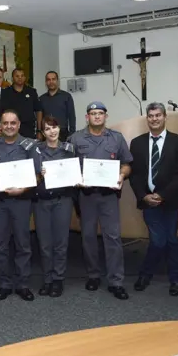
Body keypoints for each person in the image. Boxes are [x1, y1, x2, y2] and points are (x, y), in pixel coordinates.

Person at [69, 101, 132, 300]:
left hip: (108, 196)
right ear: (87, 117)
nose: (97, 116)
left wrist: (122, 175)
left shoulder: (116, 138)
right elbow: (67, 165)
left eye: (100, 113)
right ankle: (93, 275)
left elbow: (127, 164)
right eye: (93, 113)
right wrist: (75, 178)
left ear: (106, 116)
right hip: (86, 196)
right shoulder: (76, 138)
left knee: (112, 237)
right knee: (88, 237)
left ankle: (116, 281)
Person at [128, 102, 178, 296]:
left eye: (158, 115)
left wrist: (162, 195)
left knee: (170, 239)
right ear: (147, 119)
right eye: (151, 116)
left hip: (169, 200)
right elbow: (135, 175)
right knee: (158, 240)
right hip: (148, 201)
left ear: (165, 117)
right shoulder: (136, 143)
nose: (154, 119)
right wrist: (144, 196)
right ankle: (146, 274)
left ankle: (175, 279)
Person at [0, 110, 36, 302]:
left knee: (23, 244)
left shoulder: (30, 145)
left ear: (18, 125)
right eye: (5, 123)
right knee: (0, 245)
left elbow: (38, 174)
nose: (9, 126)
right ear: (0, 125)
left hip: (22, 201)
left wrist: (23, 188)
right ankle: (4, 284)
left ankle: (23, 284)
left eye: (12, 123)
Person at [33, 116, 76, 298]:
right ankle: (47, 279)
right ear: (43, 133)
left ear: (59, 128)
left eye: (55, 127)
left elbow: (76, 175)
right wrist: (39, 176)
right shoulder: (36, 150)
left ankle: (58, 279)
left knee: (60, 242)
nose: (52, 131)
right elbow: (31, 180)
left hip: (62, 200)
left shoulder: (69, 150)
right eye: (48, 129)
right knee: (44, 243)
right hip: (41, 201)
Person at [38, 71, 76, 142]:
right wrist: (39, 132)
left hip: (63, 134)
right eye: (48, 80)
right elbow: (39, 118)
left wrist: (72, 134)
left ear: (57, 81)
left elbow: (72, 117)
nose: (51, 82)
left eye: (53, 79)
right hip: (46, 134)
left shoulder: (66, 96)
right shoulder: (41, 99)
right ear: (46, 82)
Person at [3, 68, 40, 139]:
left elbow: (38, 110)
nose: (20, 78)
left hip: (29, 129)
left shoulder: (32, 91)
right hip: (11, 128)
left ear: (25, 77)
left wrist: (39, 130)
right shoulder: (6, 93)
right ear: (12, 78)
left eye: (22, 76)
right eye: (17, 76)